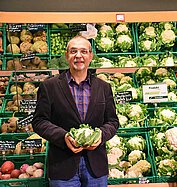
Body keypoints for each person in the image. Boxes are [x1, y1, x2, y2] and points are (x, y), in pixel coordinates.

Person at [32, 35, 119, 187]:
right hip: (62, 165)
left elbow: (112, 121)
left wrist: (101, 135)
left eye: (84, 51)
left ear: (90, 56)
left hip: (96, 167)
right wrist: (63, 136)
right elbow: (39, 121)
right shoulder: (49, 86)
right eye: (73, 51)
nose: (78, 56)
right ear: (67, 56)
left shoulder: (104, 87)